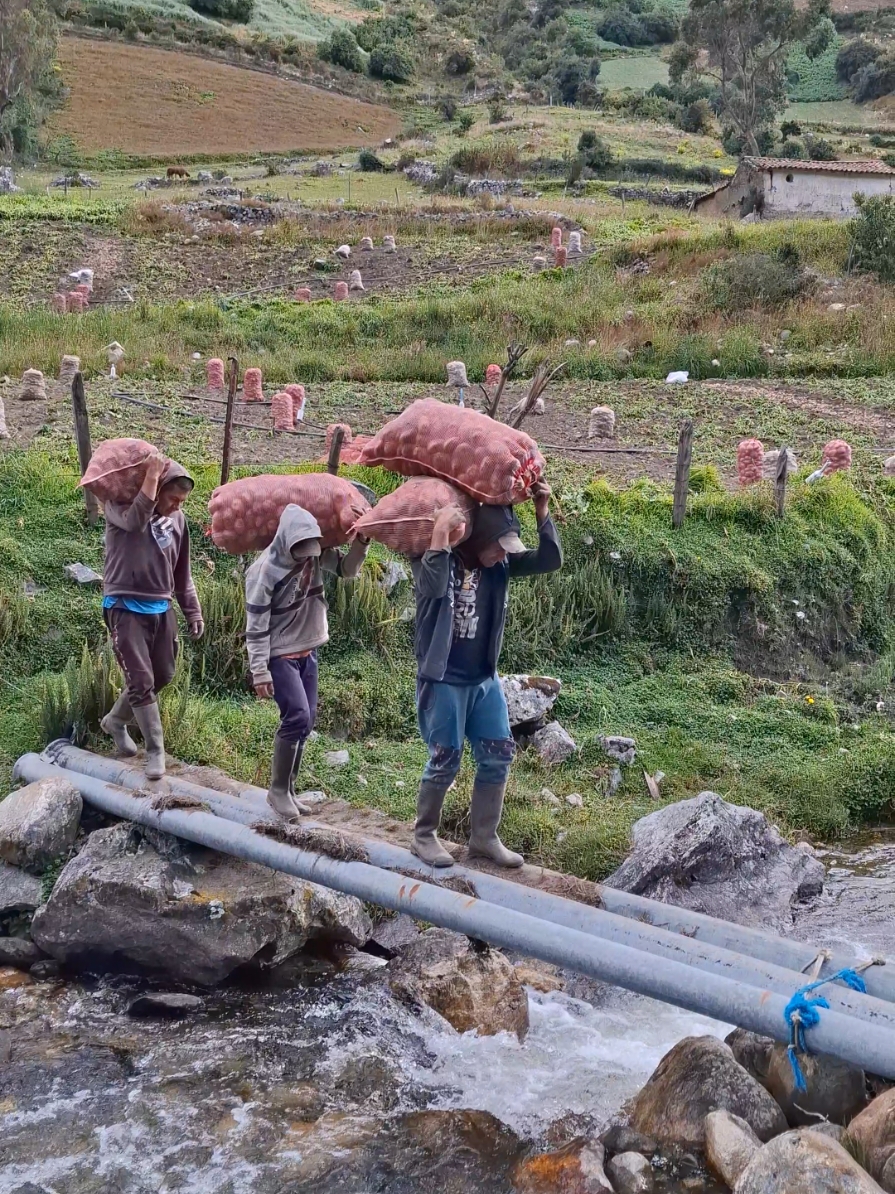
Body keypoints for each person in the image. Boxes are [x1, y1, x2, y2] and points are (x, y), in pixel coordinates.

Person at [410, 480, 561, 869]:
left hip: (483, 679)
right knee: (446, 758)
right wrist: (441, 535)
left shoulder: (501, 567)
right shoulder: (438, 562)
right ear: (476, 539)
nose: (501, 555)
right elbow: (429, 586)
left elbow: (548, 560)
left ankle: (484, 837)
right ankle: (424, 836)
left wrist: (542, 511)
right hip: (444, 680)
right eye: (496, 546)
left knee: (498, 753)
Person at [245, 503, 369, 819]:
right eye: (299, 551)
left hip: (307, 652)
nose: (305, 557)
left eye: (309, 550)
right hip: (279, 654)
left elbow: (347, 570)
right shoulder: (264, 572)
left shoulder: (314, 555)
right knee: (297, 716)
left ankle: (289, 789)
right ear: (286, 541)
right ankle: (276, 790)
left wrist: (362, 542)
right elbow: (256, 625)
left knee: (307, 721)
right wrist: (259, 671)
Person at [100, 448, 204, 780]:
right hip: (124, 606)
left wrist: (192, 610)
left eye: (182, 501)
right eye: (173, 498)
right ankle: (156, 750)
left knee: (163, 674)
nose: (177, 506)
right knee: (141, 680)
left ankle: (115, 720)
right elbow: (134, 523)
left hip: (161, 607)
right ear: (156, 489)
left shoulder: (178, 520)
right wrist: (150, 478)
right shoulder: (118, 507)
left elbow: (182, 572)